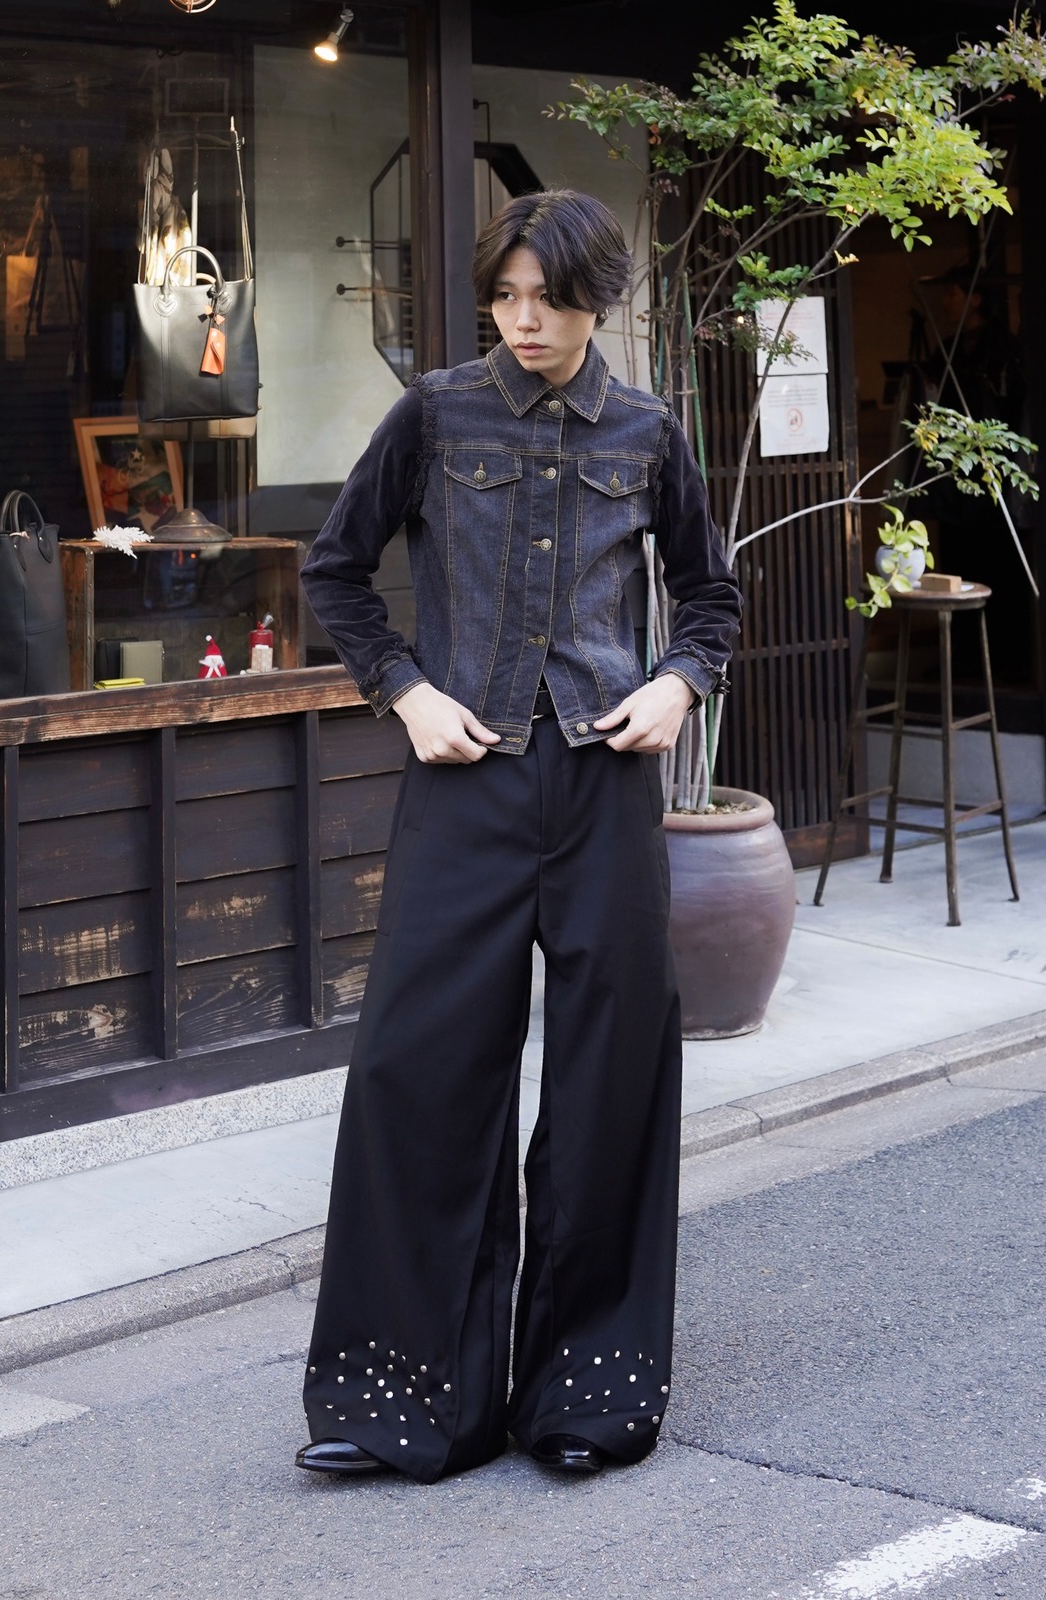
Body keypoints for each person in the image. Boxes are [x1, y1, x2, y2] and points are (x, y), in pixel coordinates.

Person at [296, 188, 742, 1485]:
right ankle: (404, 1403)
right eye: (505, 296)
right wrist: (407, 692)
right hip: (465, 781)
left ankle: (585, 1395)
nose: (525, 319)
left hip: (603, 784)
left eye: (548, 297)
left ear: (596, 299)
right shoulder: (435, 415)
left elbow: (708, 595)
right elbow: (335, 570)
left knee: (610, 1081)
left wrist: (677, 686)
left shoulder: (648, 431)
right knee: (417, 1071)